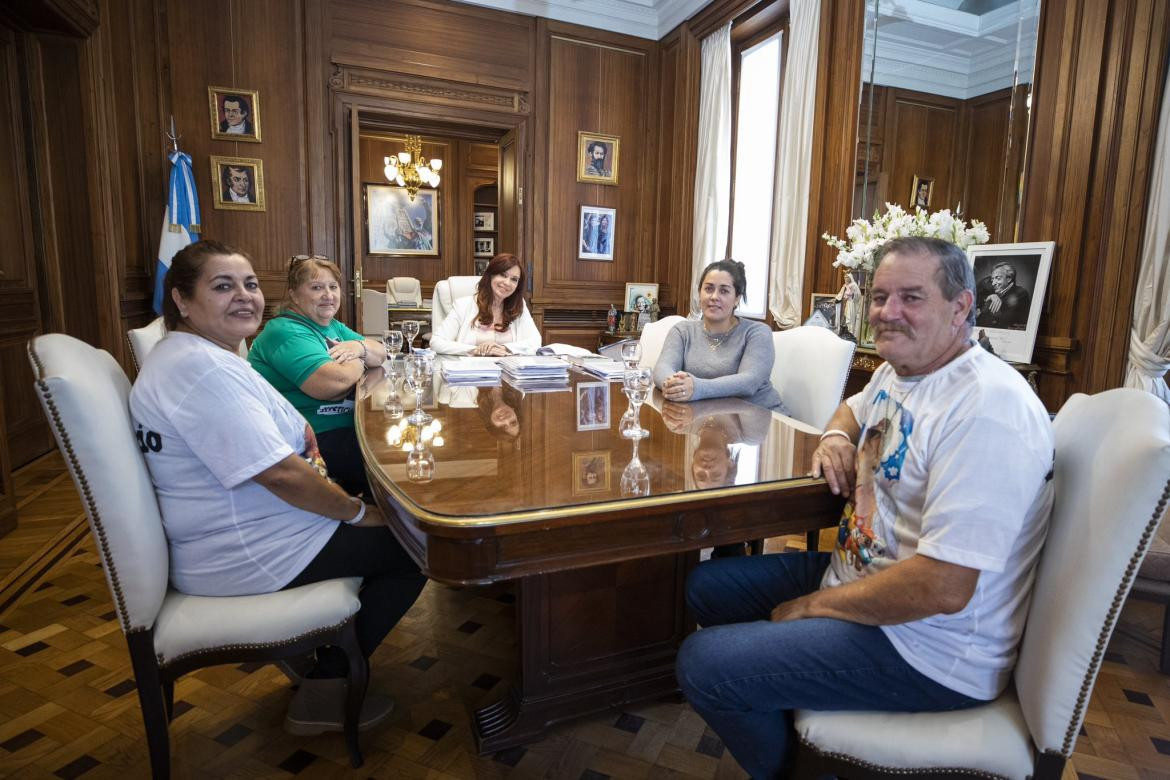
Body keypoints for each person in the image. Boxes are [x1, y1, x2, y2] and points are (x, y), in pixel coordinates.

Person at [675, 236, 1054, 778]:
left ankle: (804, 768)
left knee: (703, 663)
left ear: (961, 308)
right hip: (861, 573)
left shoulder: (987, 409)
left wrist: (812, 609)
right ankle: (792, 705)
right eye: (879, 297)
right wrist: (833, 438)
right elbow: (850, 411)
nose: (888, 312)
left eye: (911, 298)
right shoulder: (898, 371)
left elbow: (945, 586)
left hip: (928, 650)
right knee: (704, 587)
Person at [129, 240, 424, 737]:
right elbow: (282, 474)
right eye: (223, 286)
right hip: (251, 548)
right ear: (181, 299)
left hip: (242, 530)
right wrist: (357, 513)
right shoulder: (201, 371)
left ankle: (312, 649)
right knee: (418, 547)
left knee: (399, 522)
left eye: (249, 284)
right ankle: (325, 689)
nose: (244, 297)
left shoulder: (198, 355)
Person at [248, 255, 387, 497]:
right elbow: (332, 385)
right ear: (293, 294)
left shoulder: (330, 325)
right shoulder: (285, 330)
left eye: (333, 287)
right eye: (316, 287)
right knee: (391, 462)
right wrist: (358, 359)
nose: (328, 295)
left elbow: (381, 352)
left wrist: (359, 349)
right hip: (313, 437)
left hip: (347, 423)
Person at [653, 259, 787, 413]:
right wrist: (675, 385)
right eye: (709, 289)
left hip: (763, 419)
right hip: (711, 419)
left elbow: (749, 382)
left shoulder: (757, 332)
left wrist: (696, 387)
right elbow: (662, 368)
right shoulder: (682, 331)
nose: (714, 296)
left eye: (724, 291)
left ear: (737, 298)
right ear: (699, 293)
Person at [430, 253, 541, 356]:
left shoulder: (518, 305)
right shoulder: (463, 305)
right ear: (490, 275)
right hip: (471, 371)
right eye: (503, 275)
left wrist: (504, 348)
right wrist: (477, 350)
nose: (507, 283)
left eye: (514, 279)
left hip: (508, 372)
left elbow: (535, 341)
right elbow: (436, 342)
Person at [660, 397, 771, 490]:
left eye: (701, 475)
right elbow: (756, 403)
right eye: (716, 475)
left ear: (692, 463)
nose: (707, 470)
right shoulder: (752, 436)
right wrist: (696, 408)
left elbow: (658, 394)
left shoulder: (678, 425)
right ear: (730, 464)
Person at [975, 260, 1031, 330]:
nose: (993, 283)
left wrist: (981, 311)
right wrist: (990, 296)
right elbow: (979, 289)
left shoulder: (1021, 294)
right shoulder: (992, 286)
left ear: (1009, 279)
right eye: (992, 279)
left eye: (998, 278)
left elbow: (999, 321)